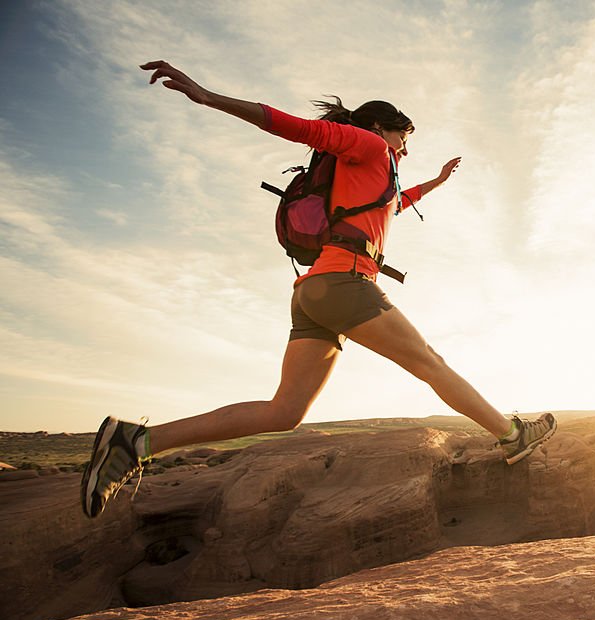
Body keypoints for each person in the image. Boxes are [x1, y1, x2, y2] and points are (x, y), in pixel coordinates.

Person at [80, 60, 557, 519]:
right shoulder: (367, 145)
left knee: (284, 411)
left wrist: (435, 182)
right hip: (345, 284)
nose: (406, 150)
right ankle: (512, 434)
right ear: (382, 127)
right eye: (405, 137)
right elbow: (290, 125)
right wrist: (206, 97)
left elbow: (394, 204)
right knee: (429, 362)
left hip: (316, 292)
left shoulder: (375, 172)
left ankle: (135, 442)